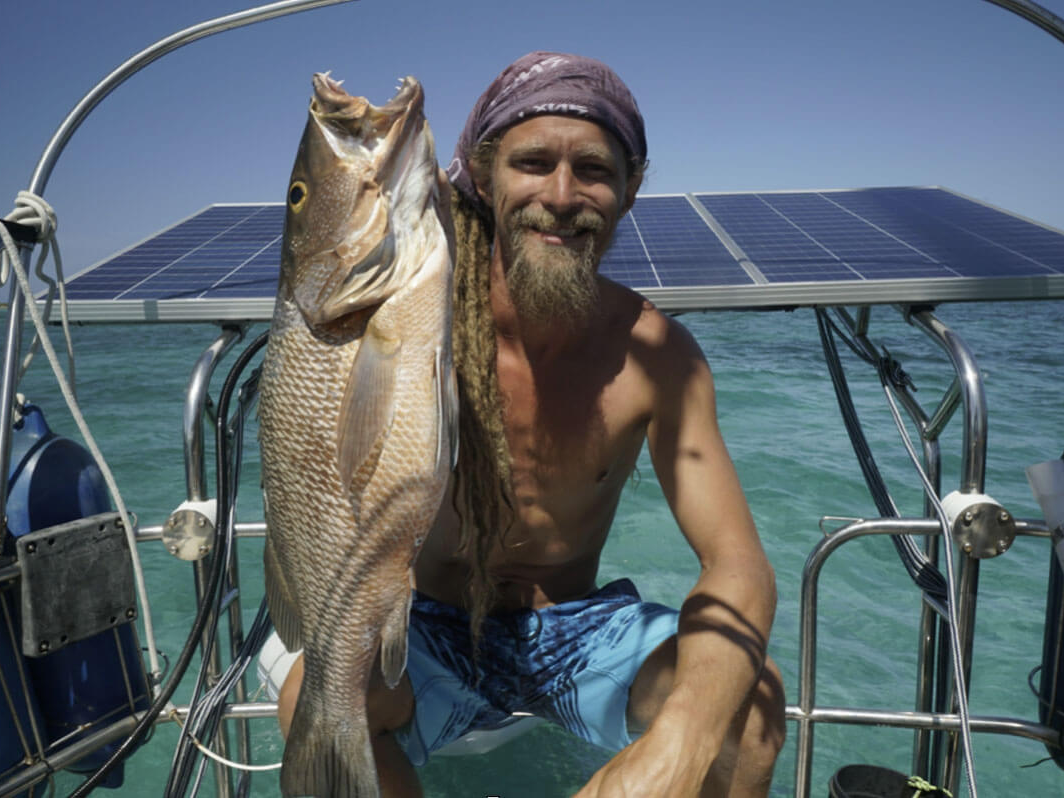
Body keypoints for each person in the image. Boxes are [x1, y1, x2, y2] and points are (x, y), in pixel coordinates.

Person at [279, 51, 785, 796]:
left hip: (579, 625)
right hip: (428, 623)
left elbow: (737, 565)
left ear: (630, 188)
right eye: (532, 163)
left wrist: (678, 745)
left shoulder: (658, 356)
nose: (560, 194)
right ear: (482, 178)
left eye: (593, 170)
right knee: (314, 704)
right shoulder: (413, 316)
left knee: (749, 714)